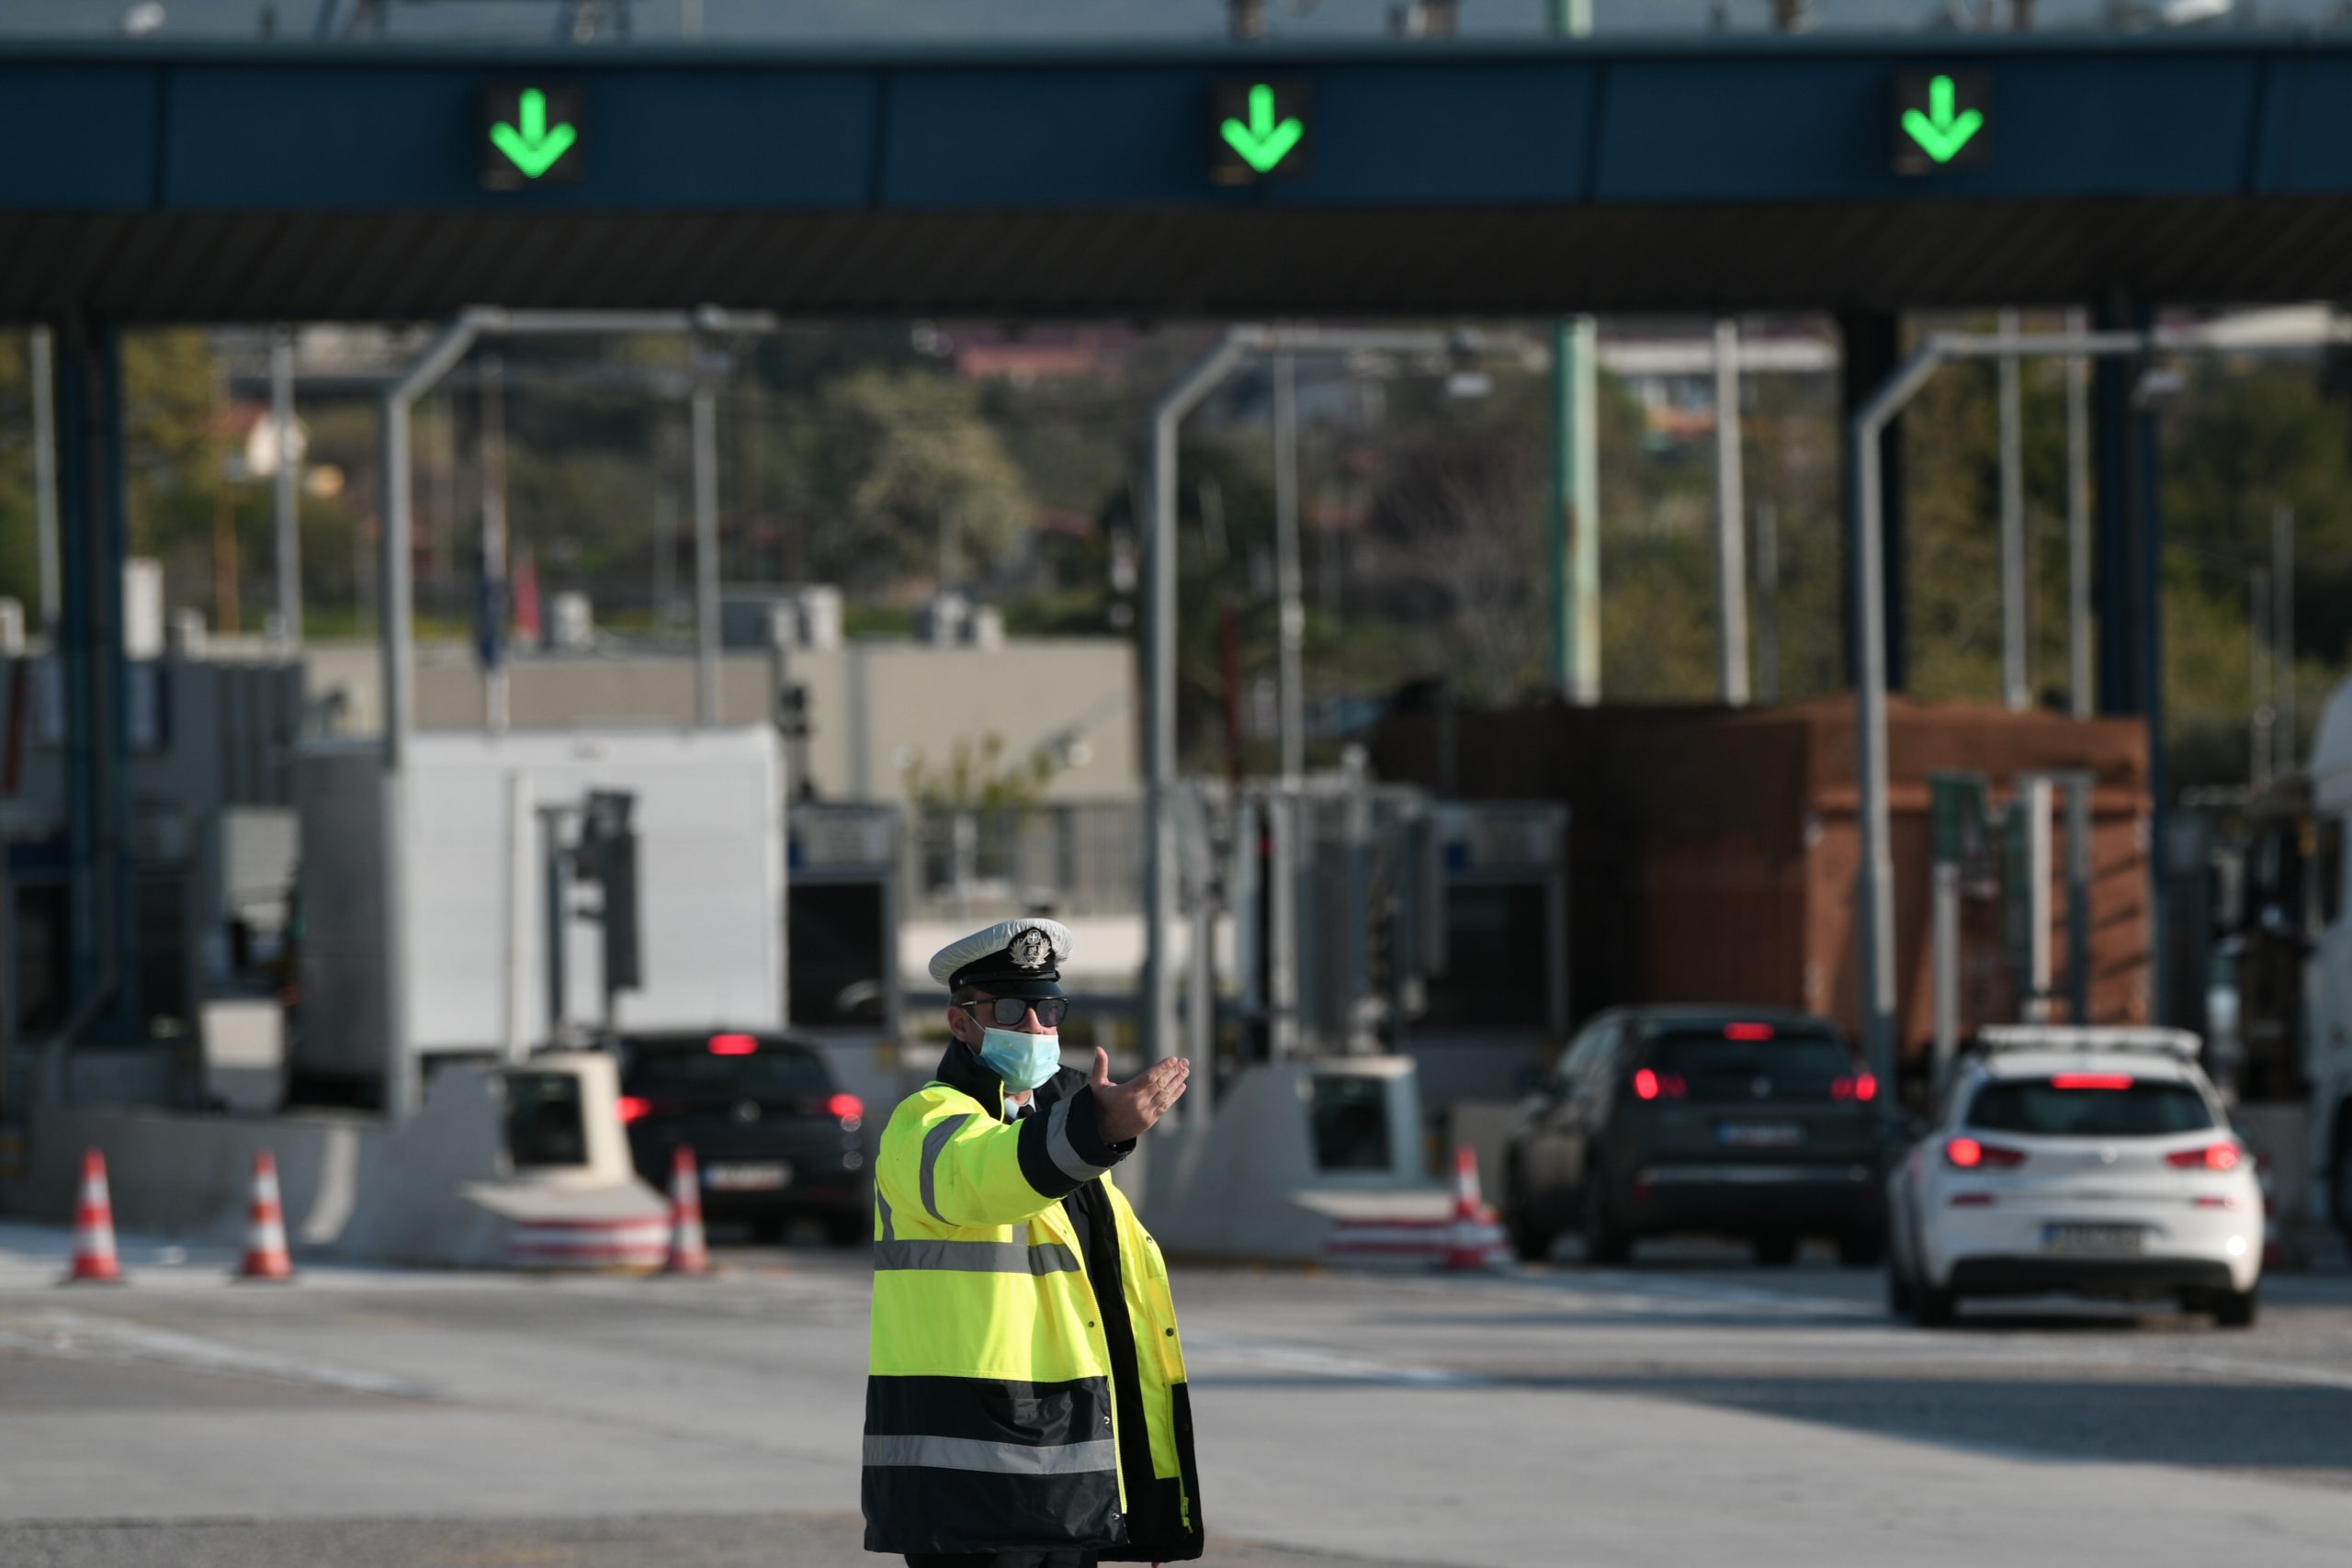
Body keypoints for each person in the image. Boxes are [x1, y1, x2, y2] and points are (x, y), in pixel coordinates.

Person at [864, 917, 1203, 1568]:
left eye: (1048, 1008)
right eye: (1013, 1008)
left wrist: (1144, 1497)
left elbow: (1109, 1315)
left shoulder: (1069, 1140)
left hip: (1061, 1481)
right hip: (970, 1488)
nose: (1035, 1027)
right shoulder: (926, 1122)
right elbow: (987, 1174)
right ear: (960, 1022)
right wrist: (1095, 1130)